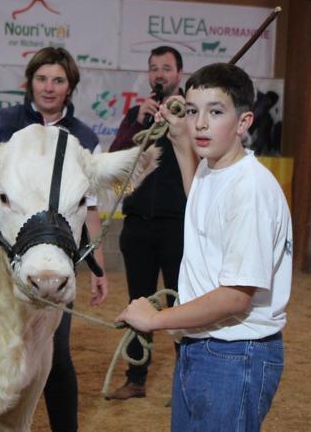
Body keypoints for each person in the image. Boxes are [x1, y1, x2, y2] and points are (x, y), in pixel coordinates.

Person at [116, 63, 292, 431]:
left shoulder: (251, 190)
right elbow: (197, 197)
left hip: (235, 353)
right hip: (203, 346)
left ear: (244, 123)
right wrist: (181, 143)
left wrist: (155, 320)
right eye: (193, 111)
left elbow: (235, 297)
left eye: (216, 112)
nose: (200, 123)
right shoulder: (213, 169)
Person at [0, 47, 106, 432]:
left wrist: (97, 266)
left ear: (70, 88)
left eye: (58, 80)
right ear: (29, 82)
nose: (48, 88)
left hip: (53, 264)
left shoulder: (84, 140)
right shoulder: (1, 123)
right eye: (41, 79)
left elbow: (92, 210)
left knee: (56, 355)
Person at [106, 46, 187, 400]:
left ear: (179, 74)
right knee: (139, 303)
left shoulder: (191, 114)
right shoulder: (137, 115)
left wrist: (178, 124)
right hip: (137, 225)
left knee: (182, 307)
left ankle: (187, 383)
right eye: (154, 68)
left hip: (177, 226)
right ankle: (135, 380)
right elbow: (115, 160)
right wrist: (136, 120)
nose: (159, 75)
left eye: (166, 68)